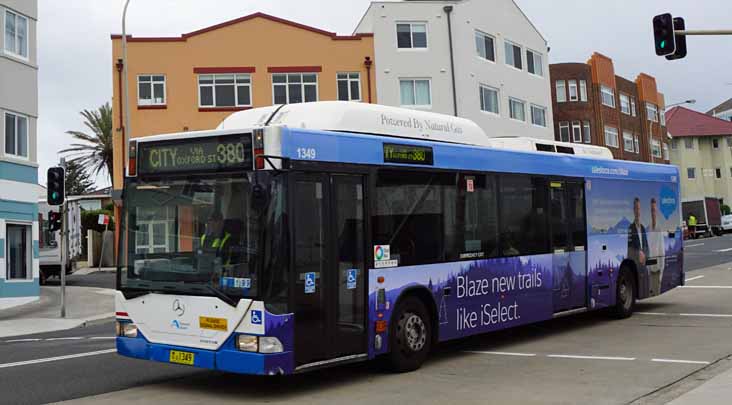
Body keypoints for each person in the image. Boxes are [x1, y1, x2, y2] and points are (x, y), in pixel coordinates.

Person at [648, 198, 665, 295]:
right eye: (651, 210)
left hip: (658, 270)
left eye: (654, 210)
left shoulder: (659, 228)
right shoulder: (649, 227)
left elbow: (662, 252)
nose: (653, 213)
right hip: (650, 269)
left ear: (656, 211)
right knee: (650, 293)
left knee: (656, 292)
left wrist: (660, 276)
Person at [627, 197, 649, 267]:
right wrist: (638, 254)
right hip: (635, 266)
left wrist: (645, 257)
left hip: (644, 265)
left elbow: (647, 247)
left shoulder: (643, 228)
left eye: (639, 209)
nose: (637, 211)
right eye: (636, 208)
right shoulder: (631, 228)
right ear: (634, 210)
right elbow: (629, 251)